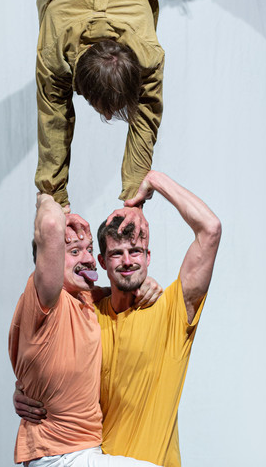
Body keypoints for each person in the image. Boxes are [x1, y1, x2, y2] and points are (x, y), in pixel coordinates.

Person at [6, 0, 194, 209]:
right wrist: (56, 198)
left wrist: (130, 195)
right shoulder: (57, 49)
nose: (107, 116)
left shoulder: (147, 53)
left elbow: (146, 116)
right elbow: (53, 118)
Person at [14, 170, 222, 466]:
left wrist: (153, 182)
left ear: (148, 257)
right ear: (101, 262)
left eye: (135, 251)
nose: (127, 261)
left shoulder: (173, 309)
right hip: (92, 455)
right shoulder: (89, 315)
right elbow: (49, 363)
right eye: (116, 254)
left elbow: (210, 229)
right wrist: (26, 389)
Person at [9, 192, 162, 466]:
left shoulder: (86, 298)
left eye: (89, 249)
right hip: (59, 456)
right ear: (48, 262)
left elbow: (120, 288)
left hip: (83, 451)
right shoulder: (43, 299)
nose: (89, 259)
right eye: (74, 251)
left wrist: (146, 283)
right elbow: (51, 225)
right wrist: (47, 200)